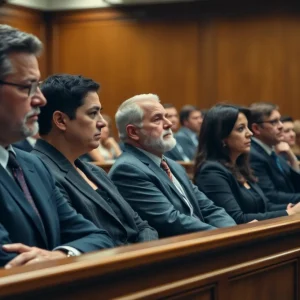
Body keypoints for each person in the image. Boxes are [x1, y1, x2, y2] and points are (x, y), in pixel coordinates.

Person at [0, 25, 114, 268]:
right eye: (26, 87)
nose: (40, 98)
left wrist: (62, 254)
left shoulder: (33, 164)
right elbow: (11, 264)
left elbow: (100, 237)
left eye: (38, 86)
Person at [32, 74, 158, 246]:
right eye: (93, 113)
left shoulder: (95, 171)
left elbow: (143, 226)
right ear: (61, 120)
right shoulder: (39, 172)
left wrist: (143, 254)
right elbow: (86, 240)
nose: (102, 123)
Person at [109, 94, 236, 238]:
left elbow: (209, 208)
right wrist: (222, 236)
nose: (168, 123)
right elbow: (171, 221)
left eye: (166, 116)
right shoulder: (127, 170)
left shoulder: (173, 166)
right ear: (133, 132)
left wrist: (232, 232)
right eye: (157, 119)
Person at [194, 105, 300, 224]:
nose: (249, 133)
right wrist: (289, 213)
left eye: (247, 127)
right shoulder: (211, 172)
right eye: (241, 129)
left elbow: (266, 206)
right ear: (222, 137)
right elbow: (236, 219)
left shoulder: (239, 166)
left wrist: (292, 209)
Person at [249, 102, 300, 205]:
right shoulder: (253, 155)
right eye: (274, 122)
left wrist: (292, 159)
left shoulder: (272, 151)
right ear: (256, 128)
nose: (281, 126)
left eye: (280, 120)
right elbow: (271, 196)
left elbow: (295, 185)